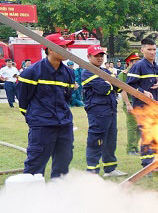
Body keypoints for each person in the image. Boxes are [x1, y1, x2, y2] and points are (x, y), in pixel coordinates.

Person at [16, 34, 77, 178]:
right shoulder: (31, 72)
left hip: (64, 125)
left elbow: (66, 98)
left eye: (66, 47)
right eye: (62, 47)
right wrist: (36, 118)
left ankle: (58, 195)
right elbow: (23, 100)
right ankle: (32, 197)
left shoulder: (69, 73)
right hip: (42, 126)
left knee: (63, 162)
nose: (66, 50)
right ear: (49, 49)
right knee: (35, 164)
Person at [80, 45, 124, 177]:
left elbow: (118, 86)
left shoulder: (105, 71)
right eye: (96, 56)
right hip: (97, 111)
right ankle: (92, 171)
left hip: (110, 108)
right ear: (89, 57)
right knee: (96, 139)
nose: (100, 58)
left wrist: (110, 83)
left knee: (111, 139)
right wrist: (111, 84)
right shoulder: (87, 71)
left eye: (101, 55)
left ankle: (110, 169)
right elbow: (103, 89)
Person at [126, 38, 158, 167]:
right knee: (147, 134)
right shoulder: (138, 66)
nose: (152, 52)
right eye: (149, 49)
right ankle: (147, 164)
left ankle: (154, 162)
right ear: (142, 50)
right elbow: (129, 86)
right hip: (143, 108)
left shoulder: (157, 68)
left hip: (157, 108)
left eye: (154, 49)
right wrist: (143, 92)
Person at [118, 53, 140, 155]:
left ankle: (135, 147)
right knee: (132, 126)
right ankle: (130, 148)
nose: (138, 63)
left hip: (139, 103)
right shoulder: (123, 74)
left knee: (140, 126)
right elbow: (123, 90)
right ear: (129, 62)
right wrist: (127, 104)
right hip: (130, 102)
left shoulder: (138, 73)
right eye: (136, 61)